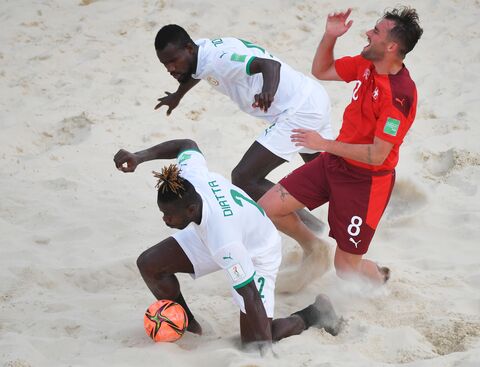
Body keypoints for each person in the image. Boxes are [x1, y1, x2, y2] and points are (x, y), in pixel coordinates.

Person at [113, 139, 341, 350]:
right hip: (220, 230)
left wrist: (264, 354)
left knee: (256, 342)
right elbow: (186, 145)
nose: (165, 220)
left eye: (169, 216)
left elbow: (249, 293)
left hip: (258, 252)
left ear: (191, 209)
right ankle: (188, 325)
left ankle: (314, 313)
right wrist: (139, 157)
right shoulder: (188, 177)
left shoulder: (224, 242)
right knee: (149, 264)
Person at [258, 7, 423, 291]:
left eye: (376, 31)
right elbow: (321, 70)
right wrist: (330, 36)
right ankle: (314, 249)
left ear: (392, 46)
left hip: (366, 183)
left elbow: (377, 154)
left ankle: (379, 277)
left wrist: (322, 144)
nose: (368, 33)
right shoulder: (367, 63)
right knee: (268, 208)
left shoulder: (399, 97)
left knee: (347, 271)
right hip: (334, 163)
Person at [153, 24, 332, 233]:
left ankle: (314, 231)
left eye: (173, 61)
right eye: (165, 64)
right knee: (327, 178)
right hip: (310, 97)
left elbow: (270, 66)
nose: (170, 69)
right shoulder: (201, 51)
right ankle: (356, 214)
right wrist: (177, 96)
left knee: (244, 178)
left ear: (189, 49)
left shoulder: (220, 60)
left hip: (299, 111)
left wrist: (268, 91)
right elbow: (196, 72)